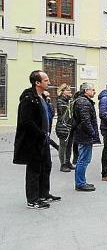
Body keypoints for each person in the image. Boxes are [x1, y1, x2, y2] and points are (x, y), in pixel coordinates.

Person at [13, 70, 61, 209]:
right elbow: (26, 121)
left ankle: (44, 194)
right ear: (37, 83)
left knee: (46, 166)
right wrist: (40, 134)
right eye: (46, 80)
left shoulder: (42, 98)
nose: (49, 82)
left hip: (43, 139)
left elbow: (47, 115)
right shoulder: (29, 98)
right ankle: (32, 199)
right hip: (33, 141)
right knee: (34, 170)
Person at [73, 83, 100, 192]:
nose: (94, 91)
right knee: (83, 160)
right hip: (84, 135)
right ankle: (80, 183)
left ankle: (81, 182)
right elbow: (86, 121)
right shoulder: (83, 102)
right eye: (92, 90)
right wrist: (92, 132)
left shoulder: (83, 101)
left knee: (83, 159)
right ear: (86, 91)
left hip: (84, 134)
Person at [55, 83, 75, 172]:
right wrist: (71, 103)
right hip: (63, 126)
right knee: (63, 146)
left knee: (69, 145)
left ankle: (68, 162)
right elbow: (65, 113)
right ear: (62, 92)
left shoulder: (69, 100)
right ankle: (63, 164)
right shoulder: (60, 101)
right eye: (67, 90)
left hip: (70, 126)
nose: (70, 92)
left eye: (70, 90)